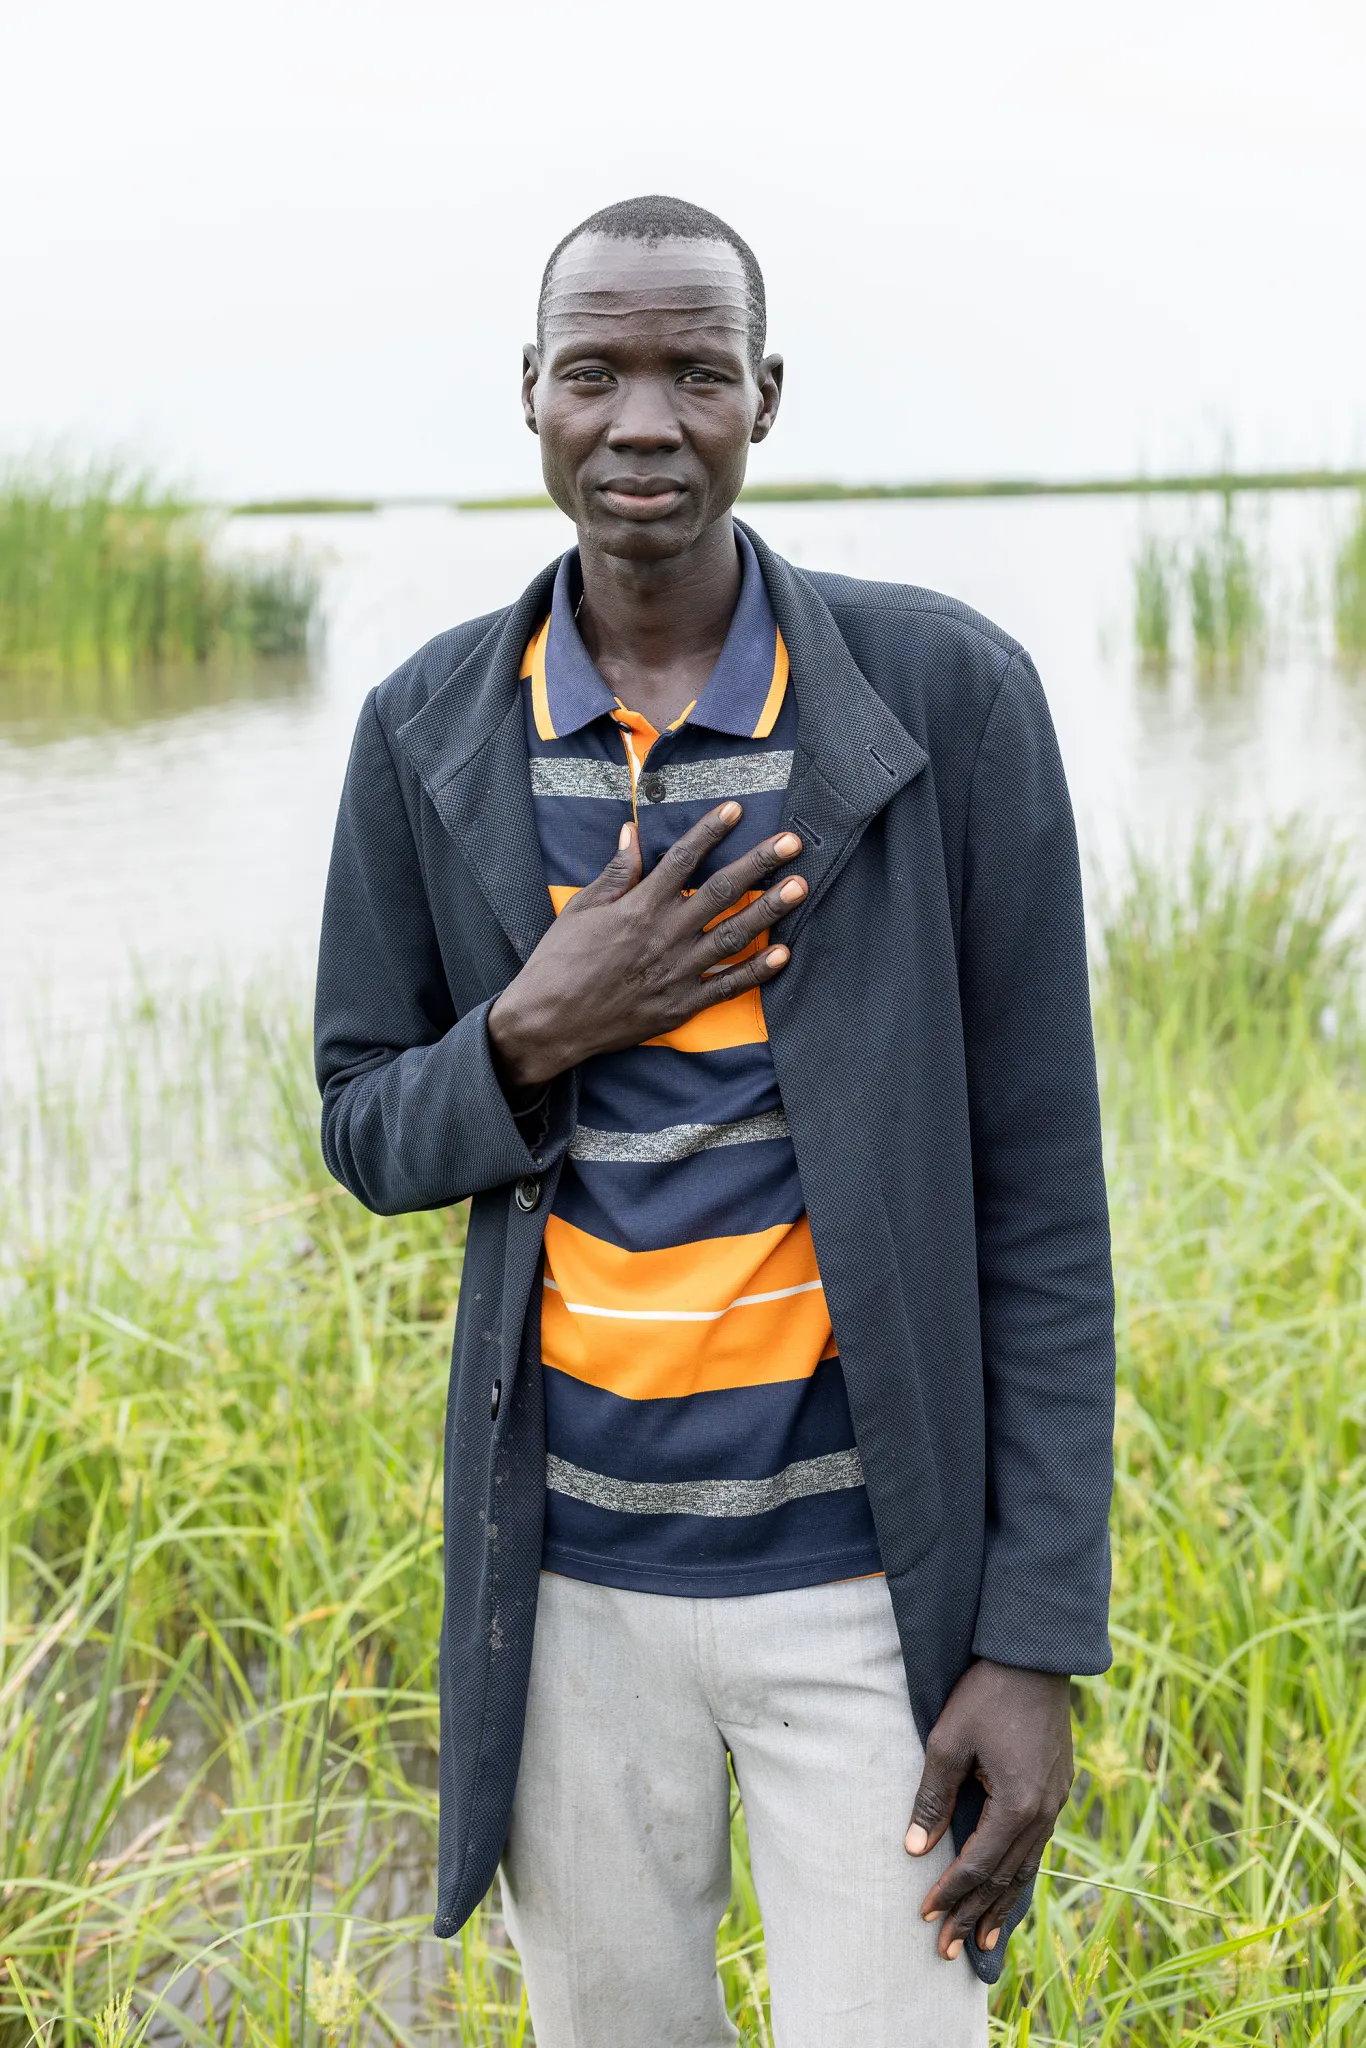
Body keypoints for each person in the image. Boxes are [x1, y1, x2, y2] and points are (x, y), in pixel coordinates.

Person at [314, 193, 1115, 2048]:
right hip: (568, 1599)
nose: (643, 421)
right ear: (530, 392)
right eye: (593, 371)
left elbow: (1042, 1209)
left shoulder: (945, 699)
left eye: (695, 371)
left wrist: (1030, 1639)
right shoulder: (432, 729)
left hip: (866, 1597)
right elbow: (363, 1127)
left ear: (767, 395)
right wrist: (532, 1028)